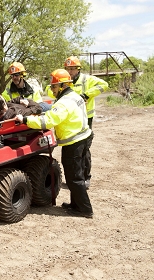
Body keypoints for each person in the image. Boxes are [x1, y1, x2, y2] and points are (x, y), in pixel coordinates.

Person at [15, 69, 93, 218]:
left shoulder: (64, 103)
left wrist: (25, 120)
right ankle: (76, 204)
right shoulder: (74, 96)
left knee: (73, 177)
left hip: (74, 142)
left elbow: (48, 121)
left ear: (63, 85)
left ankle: (84, 209)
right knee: (77, 175)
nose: (52, 90)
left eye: (54, 87)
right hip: (83, 138)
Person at [63, 56, 108, 189]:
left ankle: (86, 177)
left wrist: (87, 94)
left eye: (72, 69)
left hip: (85, 119)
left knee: (84, 149)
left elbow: (104, 85)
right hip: (71, 119)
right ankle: (75, 178)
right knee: (72, 148)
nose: (70, 72)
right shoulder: (66, 81)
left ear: (78, 69)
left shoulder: (87, 79)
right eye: (68, 69)